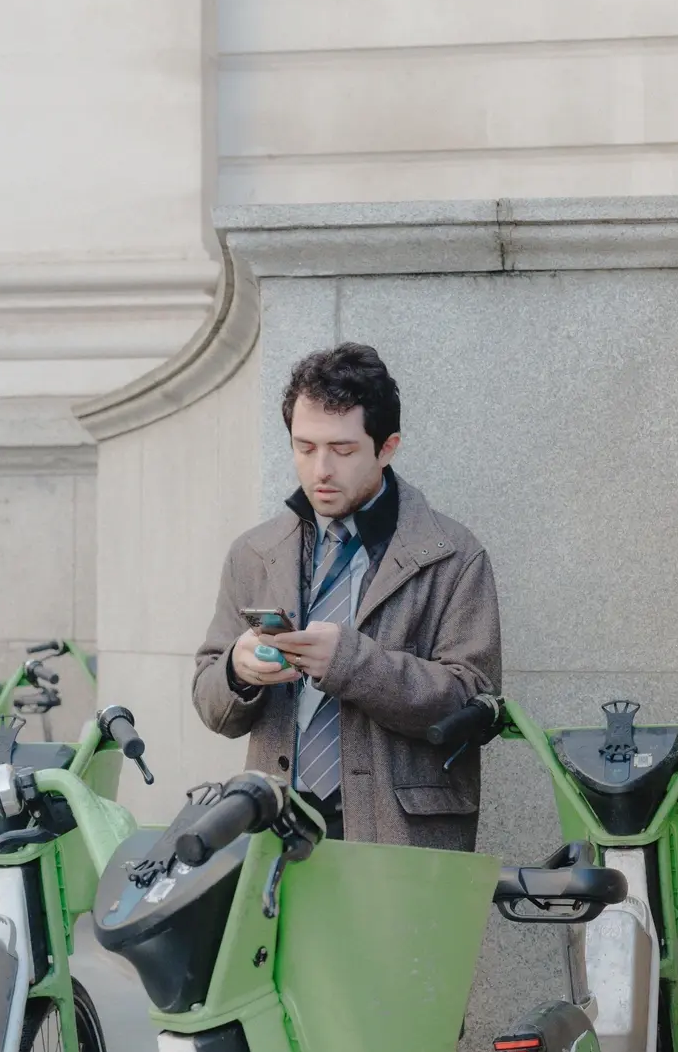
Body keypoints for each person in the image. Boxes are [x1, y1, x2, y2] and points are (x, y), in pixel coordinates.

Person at [192, 342, 501, 850]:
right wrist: (236, 671)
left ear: (388, 447)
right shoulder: (254, 552)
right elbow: (210, 701)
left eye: (342, 450)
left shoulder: (453, 554)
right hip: (277, 828)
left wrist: (353, 663)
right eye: (304, 447)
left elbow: (474, 703)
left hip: (402, 838)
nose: (320, 471)